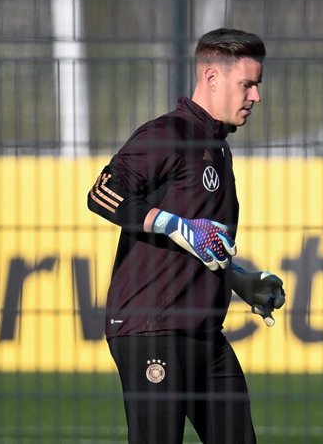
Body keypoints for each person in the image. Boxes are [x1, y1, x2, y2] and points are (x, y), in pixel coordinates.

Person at [87, 28, 286, 444]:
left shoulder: (217, 146)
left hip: (204, 333)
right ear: (212, 79)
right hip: (152, 329)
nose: (256, 97)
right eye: (247, 85)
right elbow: (102, 194)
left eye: (257, 85)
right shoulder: (166, 134)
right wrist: (174, 224)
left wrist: (240, 280)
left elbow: (198, 244)